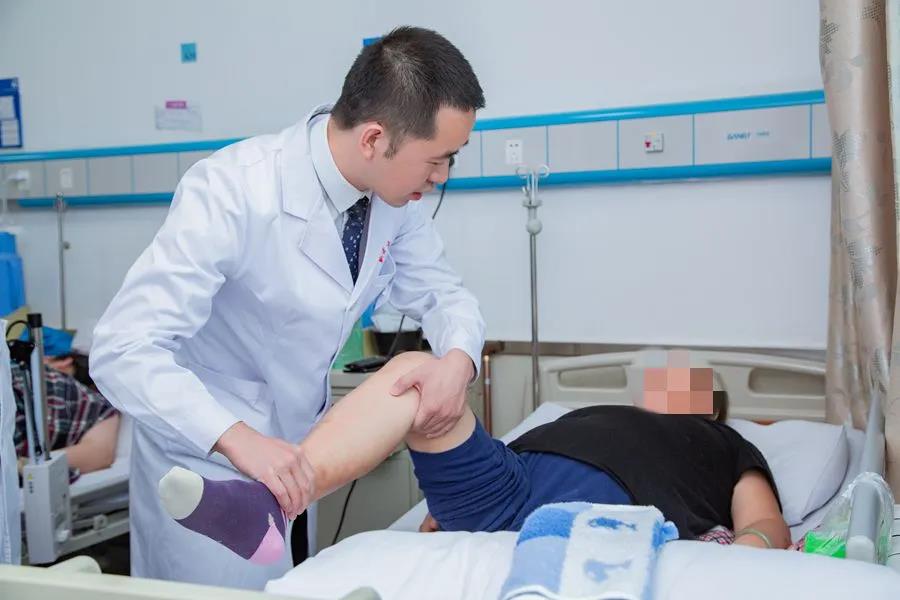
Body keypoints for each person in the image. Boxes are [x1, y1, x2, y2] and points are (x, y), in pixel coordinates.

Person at [89, 27, 486, 588]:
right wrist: (237, 437)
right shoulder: (233, 190)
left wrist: (458, 360)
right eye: (438, 160)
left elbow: (444, 293)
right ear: (374, 139)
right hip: (206, 464)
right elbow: (122, 349)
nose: (442, 177)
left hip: (296, 463)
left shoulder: (395, 200)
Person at [157, 351, 791, 571]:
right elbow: (502, 452)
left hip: (618, 522)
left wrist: (735, 559)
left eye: (689, 383)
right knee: (417, 372)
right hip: (504, 492)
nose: (670, 384)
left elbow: (765, 526)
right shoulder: (586, 414)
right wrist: (451, 504)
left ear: (714, 408)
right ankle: (273, 503)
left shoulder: (727, 443)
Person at [11, 355, 120, 475]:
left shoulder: (94, 405)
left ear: (65, 362)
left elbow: (99, 453)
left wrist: (22, 466)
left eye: (47, 357)